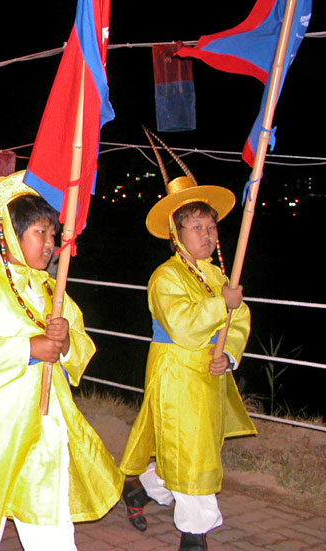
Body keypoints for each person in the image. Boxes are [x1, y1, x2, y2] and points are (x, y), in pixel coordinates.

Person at [0, 172, 122, 551]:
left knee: (48, 520)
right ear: (7, 236)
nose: (51, 244)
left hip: (42, 427)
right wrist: (28, 349)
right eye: (41, 233)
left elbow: (79, 342)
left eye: (53, 235)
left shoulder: (52, 289)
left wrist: (67, 341)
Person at [119, 158, 255, 551]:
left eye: (211, 227)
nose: (208, 235)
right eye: (197, 227)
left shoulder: (215, 275)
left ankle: (141, 490)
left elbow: (240, 319)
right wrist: (220, 306)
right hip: (176, 375)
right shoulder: (166, 276)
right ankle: (194, 537)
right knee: (191, 452)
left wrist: (227, 353)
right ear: (176, 234)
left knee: (190, 450)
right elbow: (182, 324)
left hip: (207, 376)